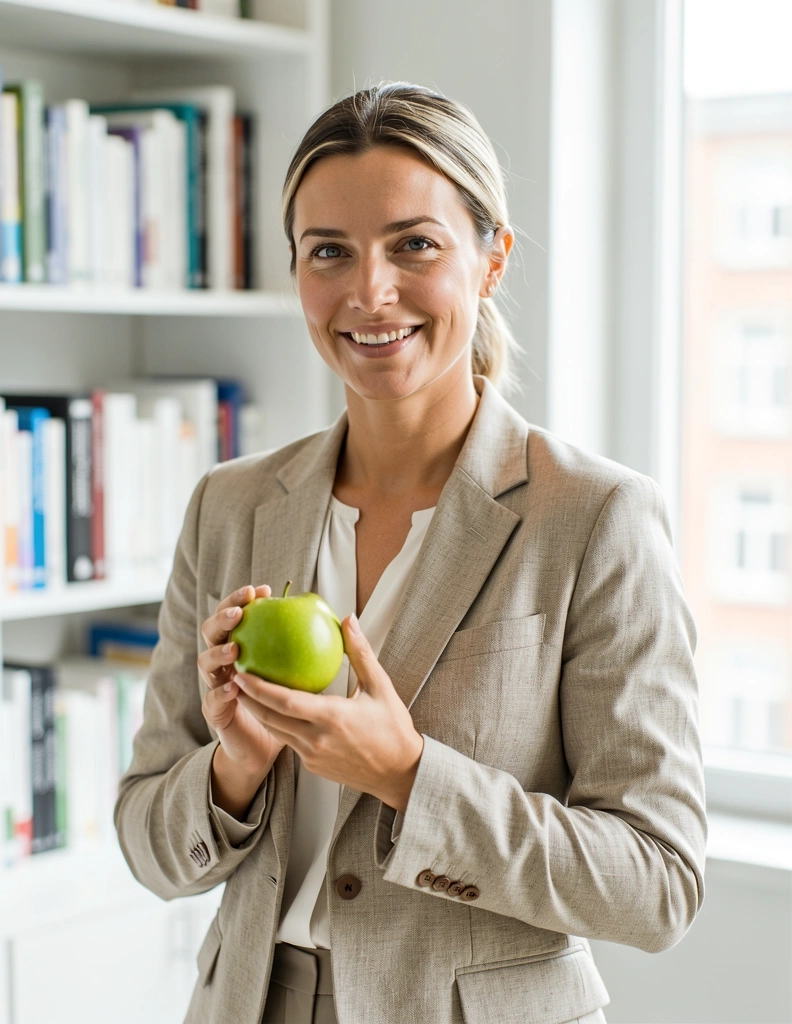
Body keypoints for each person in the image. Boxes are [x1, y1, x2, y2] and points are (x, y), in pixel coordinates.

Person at [114, 82, 707, 1024]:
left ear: (490, 258)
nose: (368, 293)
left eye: (414, 245)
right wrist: (233, 768)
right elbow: (148, 844)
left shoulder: (597, 517)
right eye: (329, 253)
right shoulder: (227, 507)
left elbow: (657, 883)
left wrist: (408, 776)